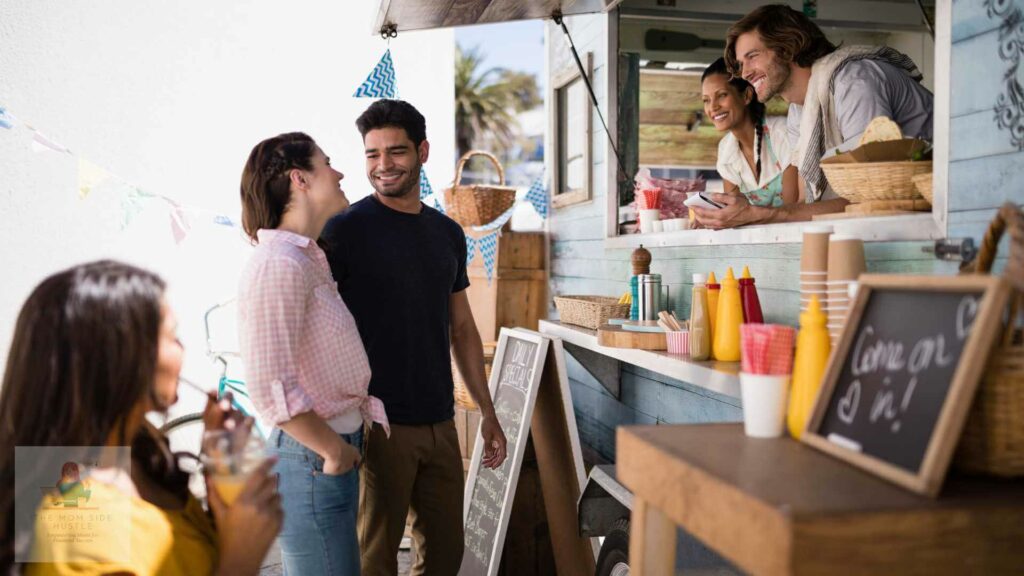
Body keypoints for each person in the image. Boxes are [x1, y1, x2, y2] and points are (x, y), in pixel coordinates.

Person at [320, 99, 508, 576]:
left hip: (440, 421)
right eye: (372, 154)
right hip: (376, 424)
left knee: (445, 555)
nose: (383, 165)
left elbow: (461, 328)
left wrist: (487, 411)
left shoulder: (447, 232)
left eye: (396, 151)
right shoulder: (343, 231)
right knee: (374, 560)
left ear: (423, 151)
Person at [0, 260, 281, 575]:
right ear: (121, 357)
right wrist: (240, 560)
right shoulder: (77, 515)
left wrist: (221, 477)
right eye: (172, 335)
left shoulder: (142, 456)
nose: (183, 348)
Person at [237, 132, 389, 576]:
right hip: (311, 460)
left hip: (325, 456)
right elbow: (270, 388)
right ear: (299, 179)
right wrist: (332, 452)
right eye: (328, 163)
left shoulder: (306, 259)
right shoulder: (279, 265)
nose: (340, 172)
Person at [695, 3, 934, 229]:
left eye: (752, 56)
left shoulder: (853, 81)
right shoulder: (799, 112)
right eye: (740, 63)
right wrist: (749, 215)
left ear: (787, 47)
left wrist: (761, 214)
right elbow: (804, 206)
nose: (744, 72)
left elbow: (869, 199)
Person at [701, 57, 797, 208]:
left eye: (722, 95)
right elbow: (734, 213)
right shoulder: (726, 150)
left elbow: (792, 209)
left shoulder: (781, 133)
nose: (712, 107)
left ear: (746, 96)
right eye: (706, 100)